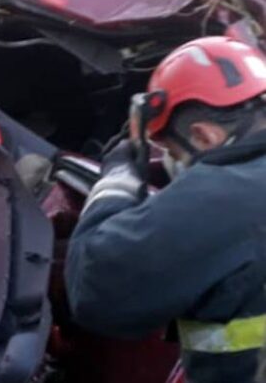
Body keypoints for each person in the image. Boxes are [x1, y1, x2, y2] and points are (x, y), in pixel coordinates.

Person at [65, 36, 266, 383]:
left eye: (173, 152)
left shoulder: (219, 198)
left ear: (204, 138)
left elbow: (96, 289)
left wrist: (118, 180)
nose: (173, 163)